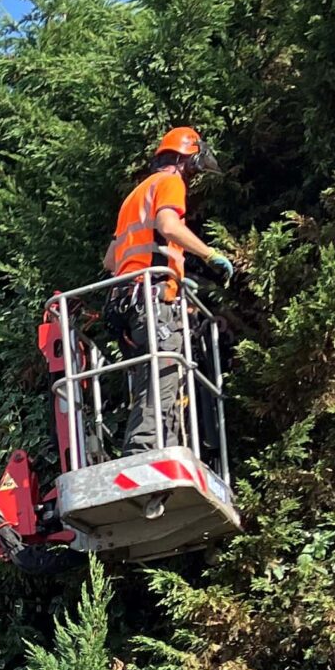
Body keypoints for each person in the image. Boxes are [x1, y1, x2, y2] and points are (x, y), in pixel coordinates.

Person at [97, 127, 235, 456]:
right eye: (194, 166)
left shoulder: (134, 196)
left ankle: (159, 451)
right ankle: (146, 454)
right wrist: (209, 254)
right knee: (163, 379)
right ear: (184, 159)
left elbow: (109, 260)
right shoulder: (170, 182)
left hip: (127, 300)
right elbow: (168, 226)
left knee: (151, 381)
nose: (194, 175)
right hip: (151, 297)